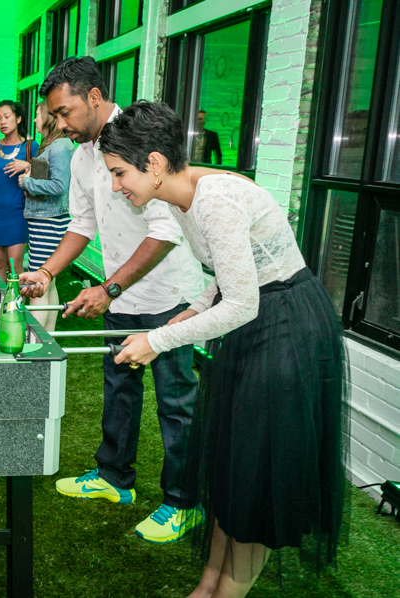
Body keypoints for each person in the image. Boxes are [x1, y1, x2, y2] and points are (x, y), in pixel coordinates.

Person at [100, 101, 346, 598]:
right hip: (258, 320)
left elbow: (242, 302)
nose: (115, 186)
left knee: (255, 477)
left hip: (286, 326)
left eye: (119, 172)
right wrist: (188, 313)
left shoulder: (214, 200)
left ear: (153, 163)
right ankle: (207, 587)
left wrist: (157, 339)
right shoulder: (180, 196)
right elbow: (230, 275)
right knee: (233, 468)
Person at [19, 57, 206, 544]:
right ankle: (114, 477)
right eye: (55, 115)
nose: (60, 123)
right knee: (119, 388)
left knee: (176, 403)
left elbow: (165, 233)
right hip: (120, 292)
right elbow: (82, 224)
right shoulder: (82, 154)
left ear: (95, 97)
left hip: (168, 296)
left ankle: (184, 502)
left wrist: (108, 288)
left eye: (65, 112)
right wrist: (46, 272)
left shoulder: (142, 140)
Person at [4, 101, 74, 331]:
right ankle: (48, 340)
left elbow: (59, 185)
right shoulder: (55, 145)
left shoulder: (60, 146)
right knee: (48, 283)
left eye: (37, 115)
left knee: (37, 286)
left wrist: (27, 182)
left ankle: (33, 340)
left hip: (48, 222)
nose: (34, 120)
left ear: (48, 117)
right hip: (46, 220)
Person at [0, 101, 36, 282]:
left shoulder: (31, 146)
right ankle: (1, 300)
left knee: (15, 267)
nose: (2, 121)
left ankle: (17, 300)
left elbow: (44, 174)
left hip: (17, 214)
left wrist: (27, 165)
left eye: (7, 117)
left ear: (18, 119)